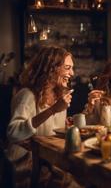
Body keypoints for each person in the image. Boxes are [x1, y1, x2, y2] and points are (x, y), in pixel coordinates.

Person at [6, 45, 75, 187]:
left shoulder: (59, 96)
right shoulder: (27, 95)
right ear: (52, 69)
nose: (72, 73)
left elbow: (52, 132)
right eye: (67, 68)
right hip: (25, 167)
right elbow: (13, 132)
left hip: (49, 161)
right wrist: (52, 110)